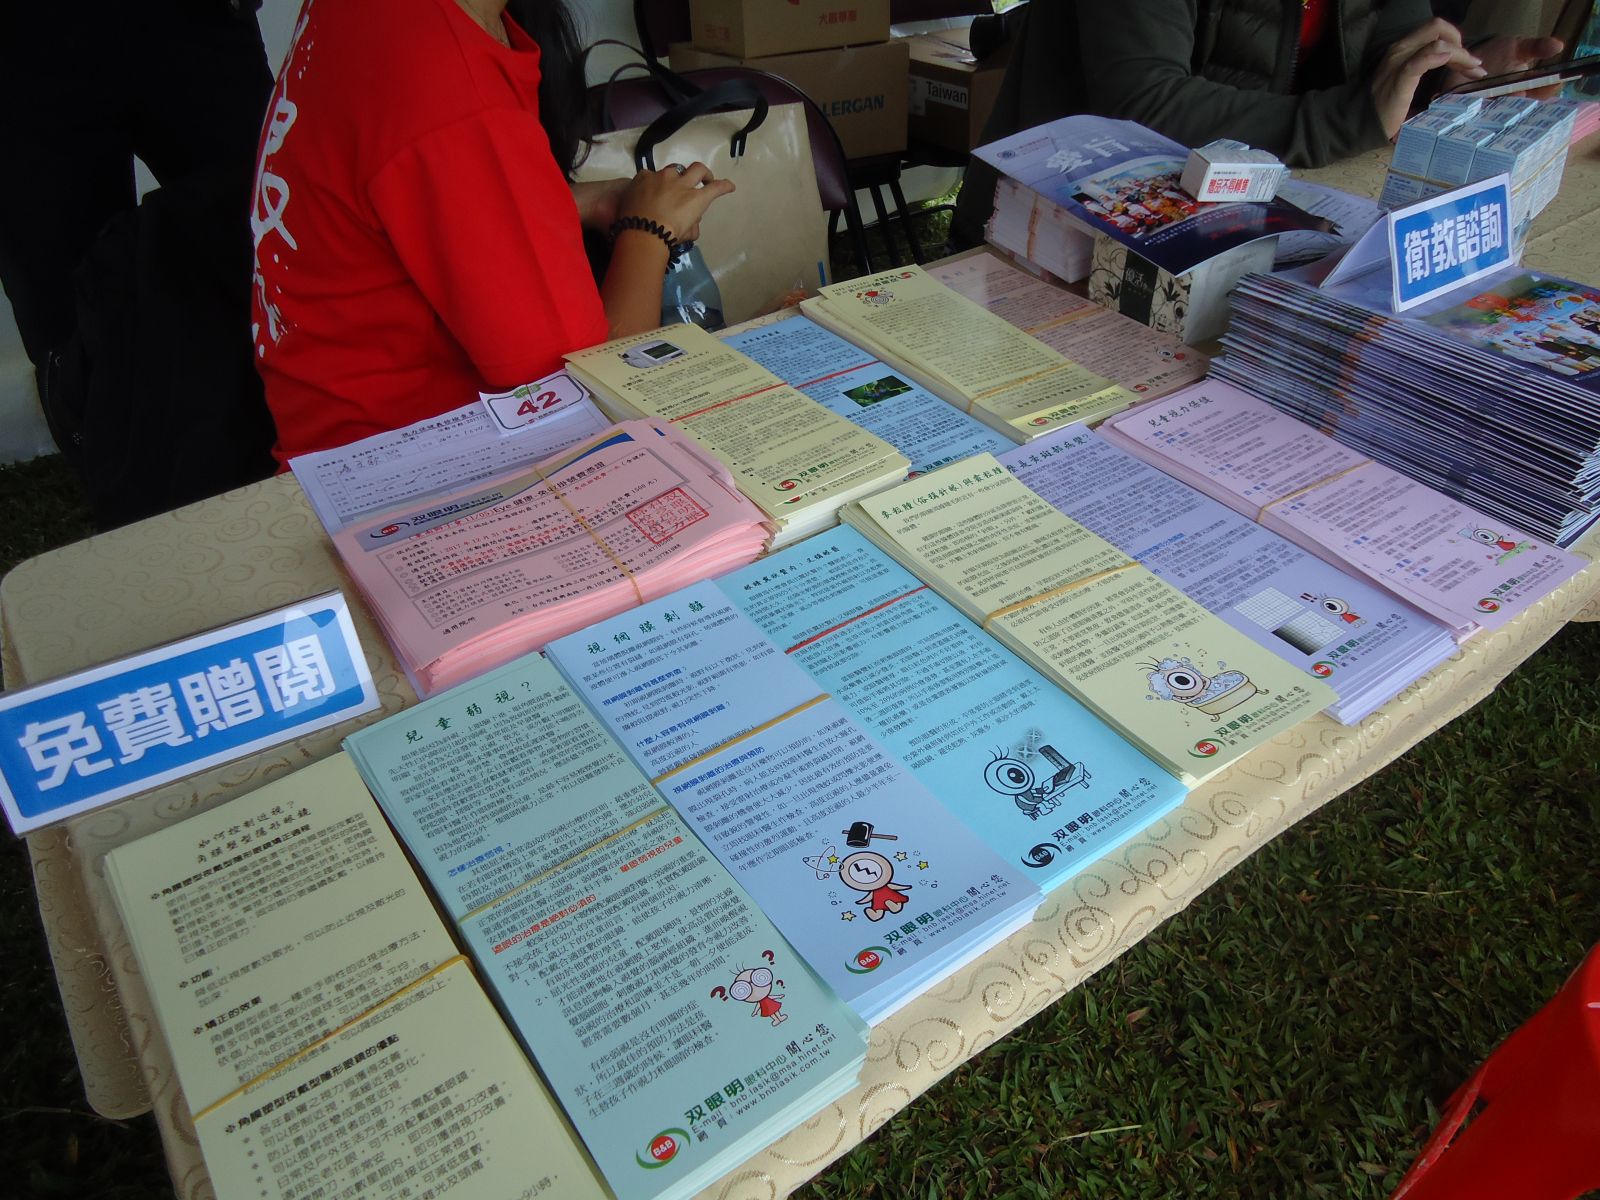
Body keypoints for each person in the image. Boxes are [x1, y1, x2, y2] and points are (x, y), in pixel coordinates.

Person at [251, 0, 734, 464]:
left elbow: (406, 201)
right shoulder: (449, 84)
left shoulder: (376, 17)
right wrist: (649, 230)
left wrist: (563, 203)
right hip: (406, 472)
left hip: (328, 446)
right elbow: (589, 388)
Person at [953, 0, 1560, 245]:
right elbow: (1145, 104)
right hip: (1058, 225)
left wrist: (1450, 74)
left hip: (1232, 212)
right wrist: (1351, 119)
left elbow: (1387, 59)